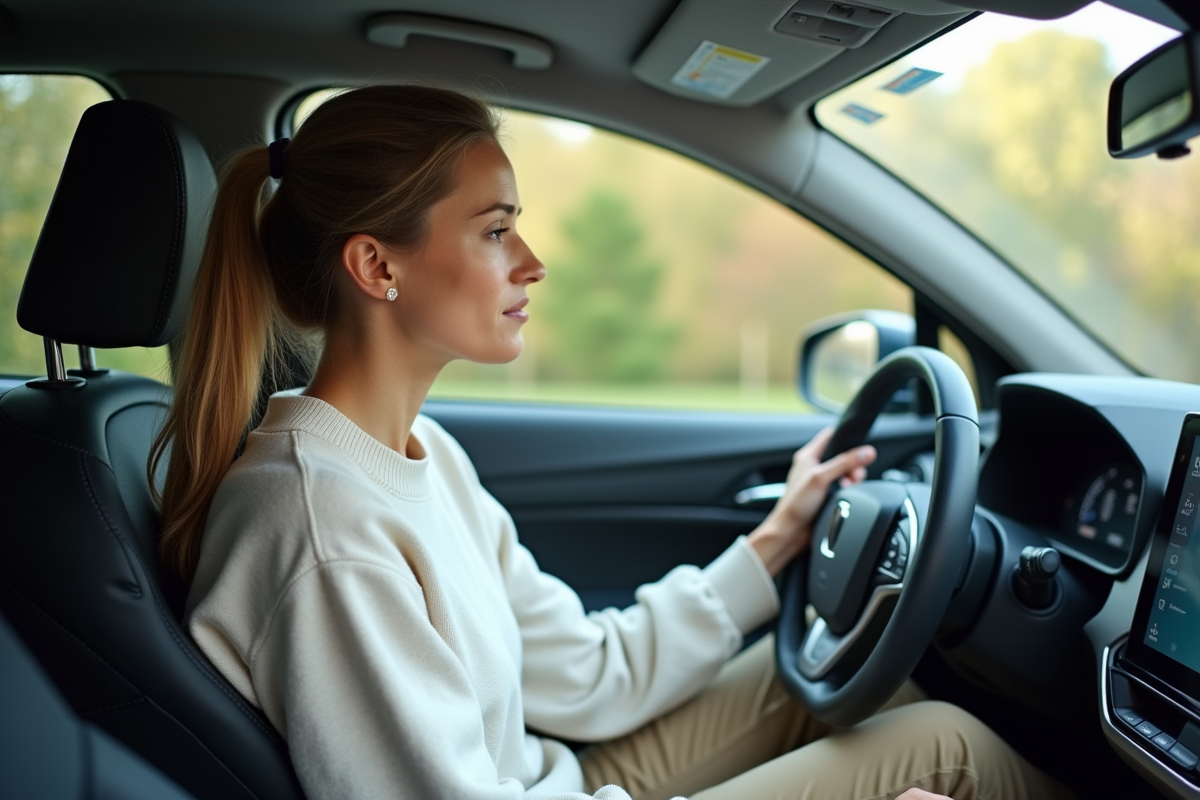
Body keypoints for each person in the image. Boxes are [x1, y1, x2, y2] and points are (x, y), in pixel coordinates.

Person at [151, 85, 1070, 800]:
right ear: (377, 265)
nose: (533, 262)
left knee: (848, 686)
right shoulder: (321, 527)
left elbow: (586, 673)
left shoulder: (423, 455)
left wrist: (775, 541)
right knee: (943, 752)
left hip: (557, 775)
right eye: (496, 230)